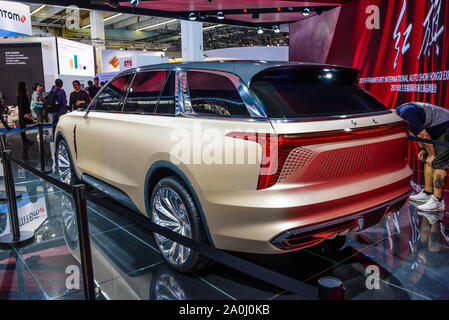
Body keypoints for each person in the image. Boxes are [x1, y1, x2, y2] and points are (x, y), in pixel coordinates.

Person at [394, 102, 449, 212]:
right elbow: (417, 134)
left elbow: (422, 134)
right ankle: (428, 193)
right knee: (427, 160)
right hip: (437, 129)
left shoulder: (406, 114)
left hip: (446, 127)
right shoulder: (401, 114)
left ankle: (438, 202)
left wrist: (432, 154)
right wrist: (423, 150)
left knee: (438, 161)